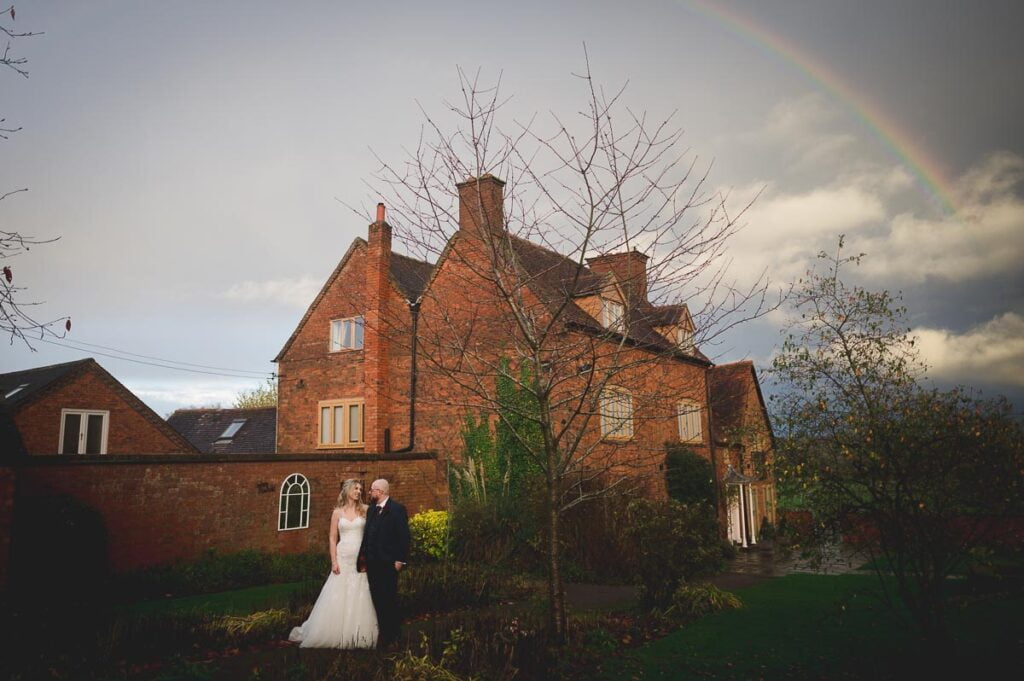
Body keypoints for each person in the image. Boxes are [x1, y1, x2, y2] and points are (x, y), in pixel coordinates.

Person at [289, 479, 377, 648]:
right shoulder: (337, 513)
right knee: (338, 591)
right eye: (355, 488)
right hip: (343, 557)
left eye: (360, 489)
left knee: (361, 592)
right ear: (347, 490)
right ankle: (333, 631)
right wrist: (334, 561)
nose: (359, 491)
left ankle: (359, 632)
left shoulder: (365, 510)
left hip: (360, 558)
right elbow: (332, 537)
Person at [358, 478, 410, 649]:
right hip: (373, 564)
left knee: (390, 599)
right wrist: (363, 558)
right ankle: (384, 634)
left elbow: (404, 537)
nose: (370, 492)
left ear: (380, 491)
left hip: (389, 564)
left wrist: (400, 560)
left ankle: (395, 636)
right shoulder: (372, 510)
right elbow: (368, 535)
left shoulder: (397, 509)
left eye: (372, 490)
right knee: (378, 600)